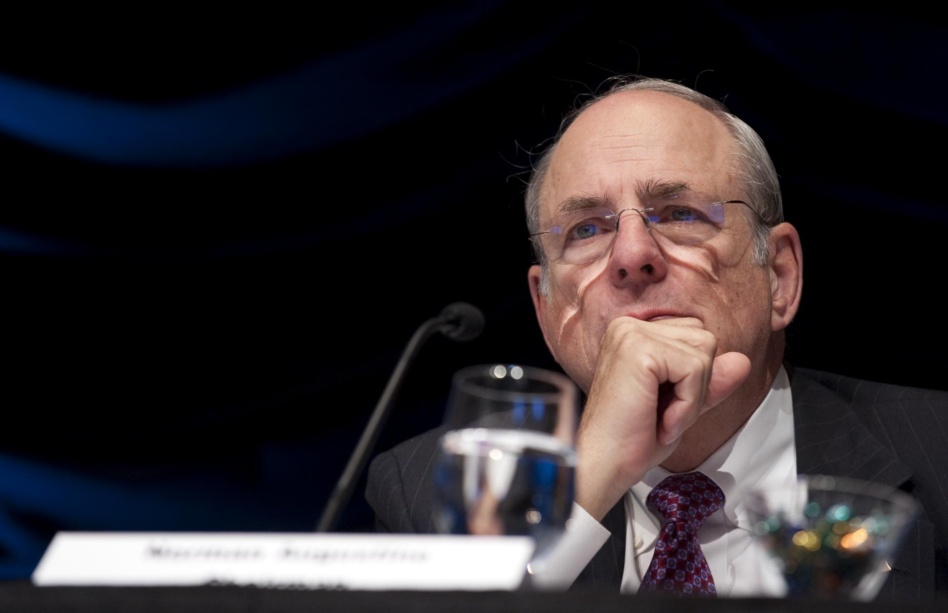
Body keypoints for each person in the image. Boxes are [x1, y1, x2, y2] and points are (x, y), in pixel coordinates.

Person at [364, 75, 948, 601]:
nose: (633, 255)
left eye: (678, 213)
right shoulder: (432, 489)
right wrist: (587, 479)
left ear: (780, 278)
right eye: (586, 229)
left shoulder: (937, 449)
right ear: (546, 309)